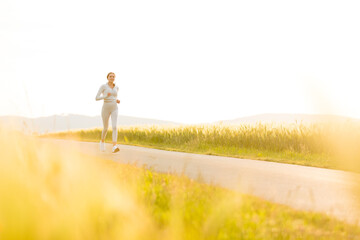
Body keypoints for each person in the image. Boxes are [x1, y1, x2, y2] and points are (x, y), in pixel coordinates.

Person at [95, 72, 121, 153]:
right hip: (105, 109)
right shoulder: (103, 86)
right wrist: (105, 96)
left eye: (113, 76)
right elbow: (96, 98)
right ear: (107, 77)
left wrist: (116, 100)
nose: (112, 78)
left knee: (114, 127)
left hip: (114, 108)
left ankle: (114, 146)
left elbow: (114, 97)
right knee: (106, 128)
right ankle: (102, 141)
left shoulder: (116, 87)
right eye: (110, 76)